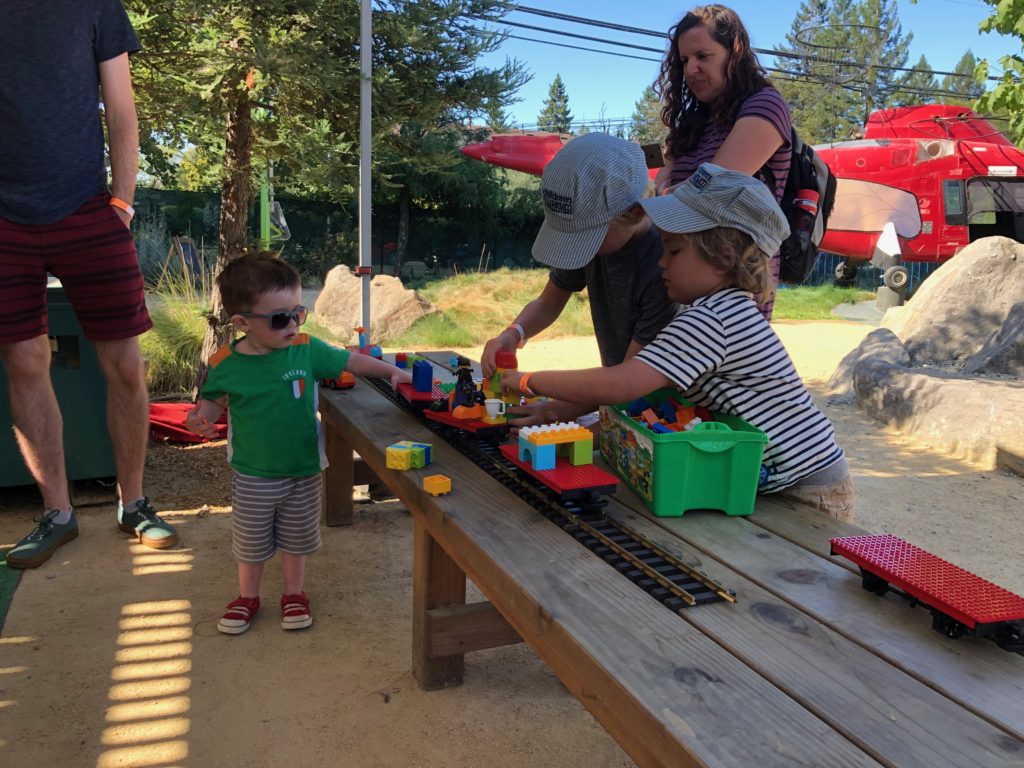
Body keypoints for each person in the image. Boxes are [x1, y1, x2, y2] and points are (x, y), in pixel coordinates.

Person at [502, 165, 854, 521]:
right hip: (772, 477)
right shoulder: (711, 311)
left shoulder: (712, 320)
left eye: (674, 251)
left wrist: (528, 381)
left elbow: (622, 384)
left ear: (724, 258)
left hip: (808, 487)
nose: (660, 262)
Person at [1, 1, 180, 569]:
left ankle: (134, 502)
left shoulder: (94, 4)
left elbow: (120, 108)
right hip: (4, 220)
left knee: (126, 364)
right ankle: (58, 513)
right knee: (25, 363)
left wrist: (122, 202)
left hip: (89, 209)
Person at [186, 253, 412, 634]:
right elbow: (211, 402)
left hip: (303, 467)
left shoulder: (305, 348)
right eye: (279, 319)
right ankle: (248, 597)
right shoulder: (225, 362)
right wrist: (200, 420)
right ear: (242, 323)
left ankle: (294, 593)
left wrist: (393, 372)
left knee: (296, 539)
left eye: (298, 313)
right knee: (252, 542)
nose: (292, 324)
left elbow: (352, 362)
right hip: (254, 472)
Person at [480, 132, 678, 426]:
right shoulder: (591, 236)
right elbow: (548, 302)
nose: (577, 246)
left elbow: (630, 378)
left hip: (659, 413)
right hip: (615, 394)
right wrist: (513, 334)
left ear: (635, 213)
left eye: (585, 238)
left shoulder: (666, 267)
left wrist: (557, 409)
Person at [654, 4, 793, 320]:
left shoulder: (765, 105)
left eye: (703, 56)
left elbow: (713, 189)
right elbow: (665, 181)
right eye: (685, 60)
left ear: (735, 53)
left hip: (734, 286)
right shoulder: (693, 120)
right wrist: (669, 191)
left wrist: (668, 193)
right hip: (682, 282)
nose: (690, 70)